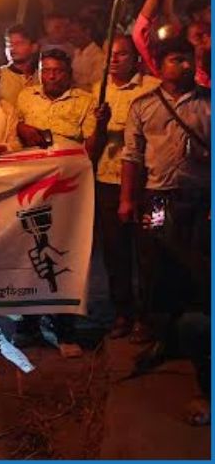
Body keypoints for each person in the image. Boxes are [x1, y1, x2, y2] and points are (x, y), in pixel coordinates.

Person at [118, 37, 210, 376]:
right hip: (156, 199)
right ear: (159, 65)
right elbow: (131, 156)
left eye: (189, 59)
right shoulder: (142, 105)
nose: (185, 65)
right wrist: (127, 199)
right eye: (176, 59)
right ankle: (161, 336)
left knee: (197, 265)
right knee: (154, 263)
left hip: (201, 201)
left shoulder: (208, 103)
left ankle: (195, 338)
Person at [89, 36, 159, 339]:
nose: (114, 60)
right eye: (110, 55)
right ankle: (122, 313)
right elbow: (94, 142)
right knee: (115, 251)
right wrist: (101, 125)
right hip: (108, 180)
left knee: (149, 250)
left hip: (149, 183)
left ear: (135, 58)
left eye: (121, 54)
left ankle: (148, 315)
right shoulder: (98, 90)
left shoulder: (152, 88)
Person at [15, 49, 100, 157]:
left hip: (67, 164)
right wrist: (20, 127)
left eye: (58, 71)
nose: (51, 76)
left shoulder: (86, 101)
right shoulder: (26, 95)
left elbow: (91, 146)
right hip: (31, 162)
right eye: (45, 71)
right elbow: (12, 127)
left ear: (69, 73)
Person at [0, 24, 40, 106]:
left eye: (19, 43)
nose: (13, 48)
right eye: (9, 44)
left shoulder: (42, 77)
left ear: (34, 47)